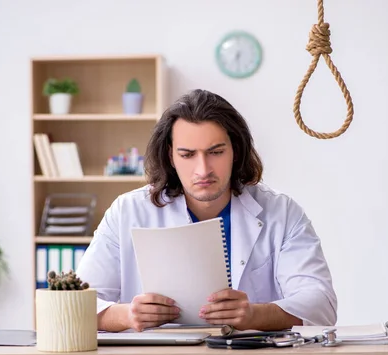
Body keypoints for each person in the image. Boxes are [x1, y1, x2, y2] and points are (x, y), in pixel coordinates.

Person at [76, 89, 337, 332]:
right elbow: (77, 305)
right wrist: (127, 315)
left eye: (215, 152)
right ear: (170, 156)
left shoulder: (281, 212)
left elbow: (321, 305)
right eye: (188, 155)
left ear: (235, 150)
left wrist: (255, 316)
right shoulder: (127, 212)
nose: (203, 170)